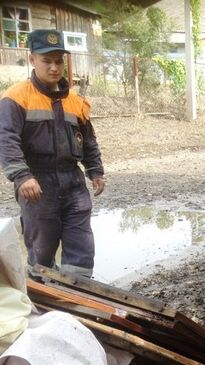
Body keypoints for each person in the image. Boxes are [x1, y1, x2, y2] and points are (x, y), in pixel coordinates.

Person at [0, 29, 104, 278]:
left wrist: (95, 171)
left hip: (73, 180)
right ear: (32, 60)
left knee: (81, 245)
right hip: (37, 183)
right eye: (47, 60)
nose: (54, 67)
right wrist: (22, 176)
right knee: (42, 250)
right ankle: (44, 296)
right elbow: (6, 139)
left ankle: (77, 296)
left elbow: (88, 140)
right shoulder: (16, 97)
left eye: (59, 60)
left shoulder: (76, 101)